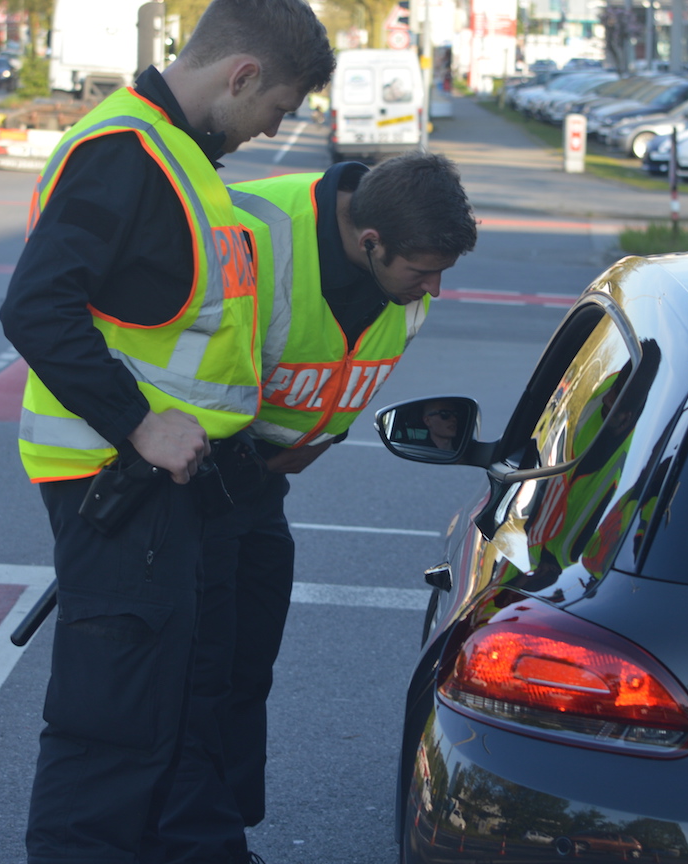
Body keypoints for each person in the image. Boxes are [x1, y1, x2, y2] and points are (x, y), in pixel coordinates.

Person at [0, 1, 334, 861]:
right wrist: (139, 424)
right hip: (119, 485)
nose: (274, 130)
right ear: (242, 75)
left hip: (169, 491)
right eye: (279, 108)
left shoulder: (178, 154)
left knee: (160, 719)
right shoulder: (128, 153)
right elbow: (36, 306)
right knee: (109, 734)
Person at [158, 153, 477, 862]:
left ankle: (226, 829)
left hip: (262, 485)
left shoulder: (405, 276)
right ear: (371, 242)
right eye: (422, 271)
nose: (433, 288)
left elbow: (343, 374)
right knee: (199, 678)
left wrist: (304, 447)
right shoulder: (253, 229)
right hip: (194, 484)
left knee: (247, 669)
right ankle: (196, 845)